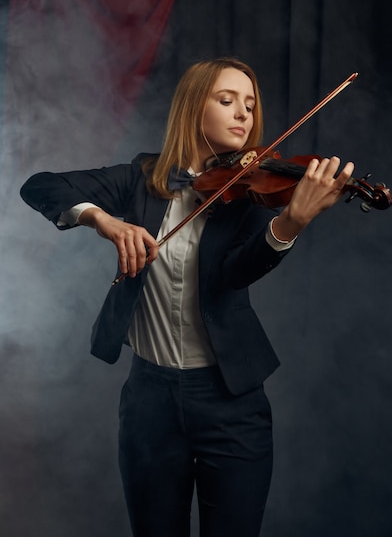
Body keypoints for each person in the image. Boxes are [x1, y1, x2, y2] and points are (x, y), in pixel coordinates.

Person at [20, 57, 354, 537]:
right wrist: (104, 220)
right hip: (149, 402)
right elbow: (40, 186)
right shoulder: (139, 178)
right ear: (193, 108)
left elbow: (237, 272)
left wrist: (291, 224)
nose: (244, 113)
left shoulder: (251, 187)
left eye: (250, 105)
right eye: (227, 100)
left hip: (231, 403)